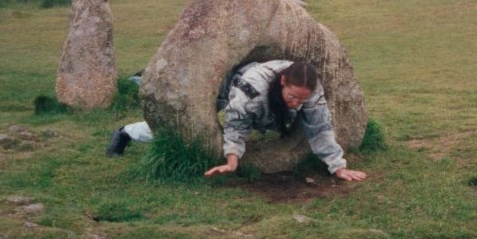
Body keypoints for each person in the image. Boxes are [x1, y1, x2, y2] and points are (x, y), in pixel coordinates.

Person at [107, 60, 368, 182]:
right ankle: (127, 132)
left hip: (265, 103)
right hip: (228, 86)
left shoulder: (309, 89)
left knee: (293, 115)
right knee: (184, 129)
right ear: (283, 82)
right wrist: (232, 159)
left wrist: (337, 166)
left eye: (301, 100)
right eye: (292, 96)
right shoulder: (251, 90)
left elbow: (319, 127)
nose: (296, 103)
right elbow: (235, 123)